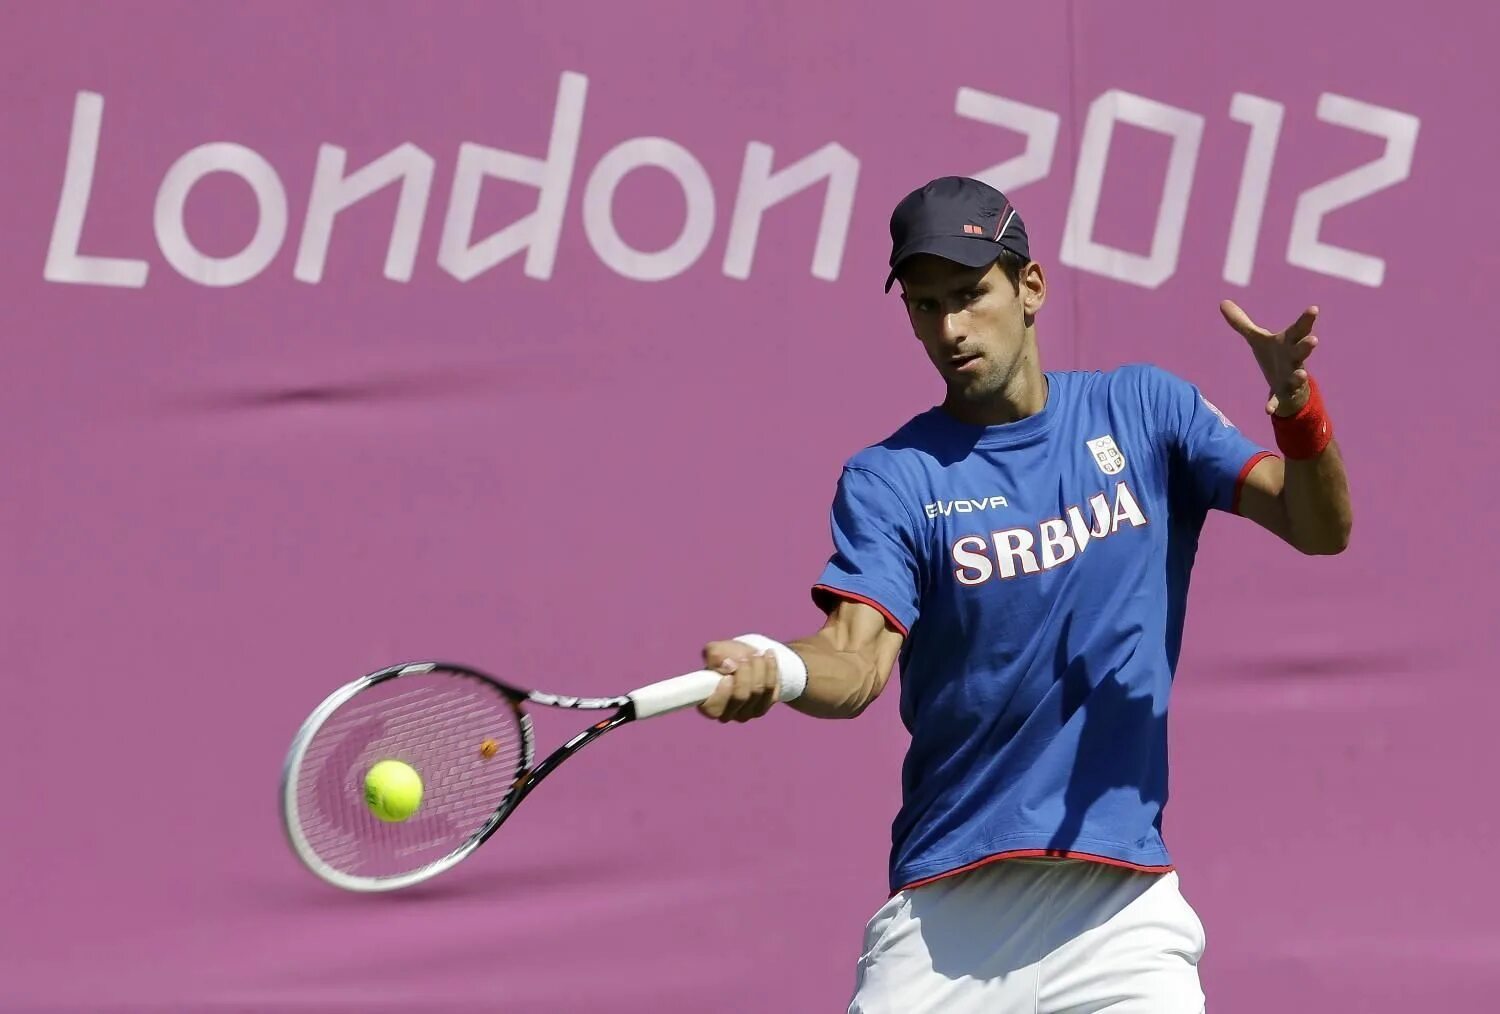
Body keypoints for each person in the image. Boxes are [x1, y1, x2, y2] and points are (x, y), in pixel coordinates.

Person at [695, 176, 1353, 1013]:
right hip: (946, 924)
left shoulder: (1145, 411)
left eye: (971, 294)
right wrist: (781, 666)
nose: (951, 328)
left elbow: (1317, 524)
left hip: (1119, 921)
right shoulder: (892, 478)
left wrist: (1296, 409)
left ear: (1030, 287)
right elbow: (855, 663)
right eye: (926, 305)